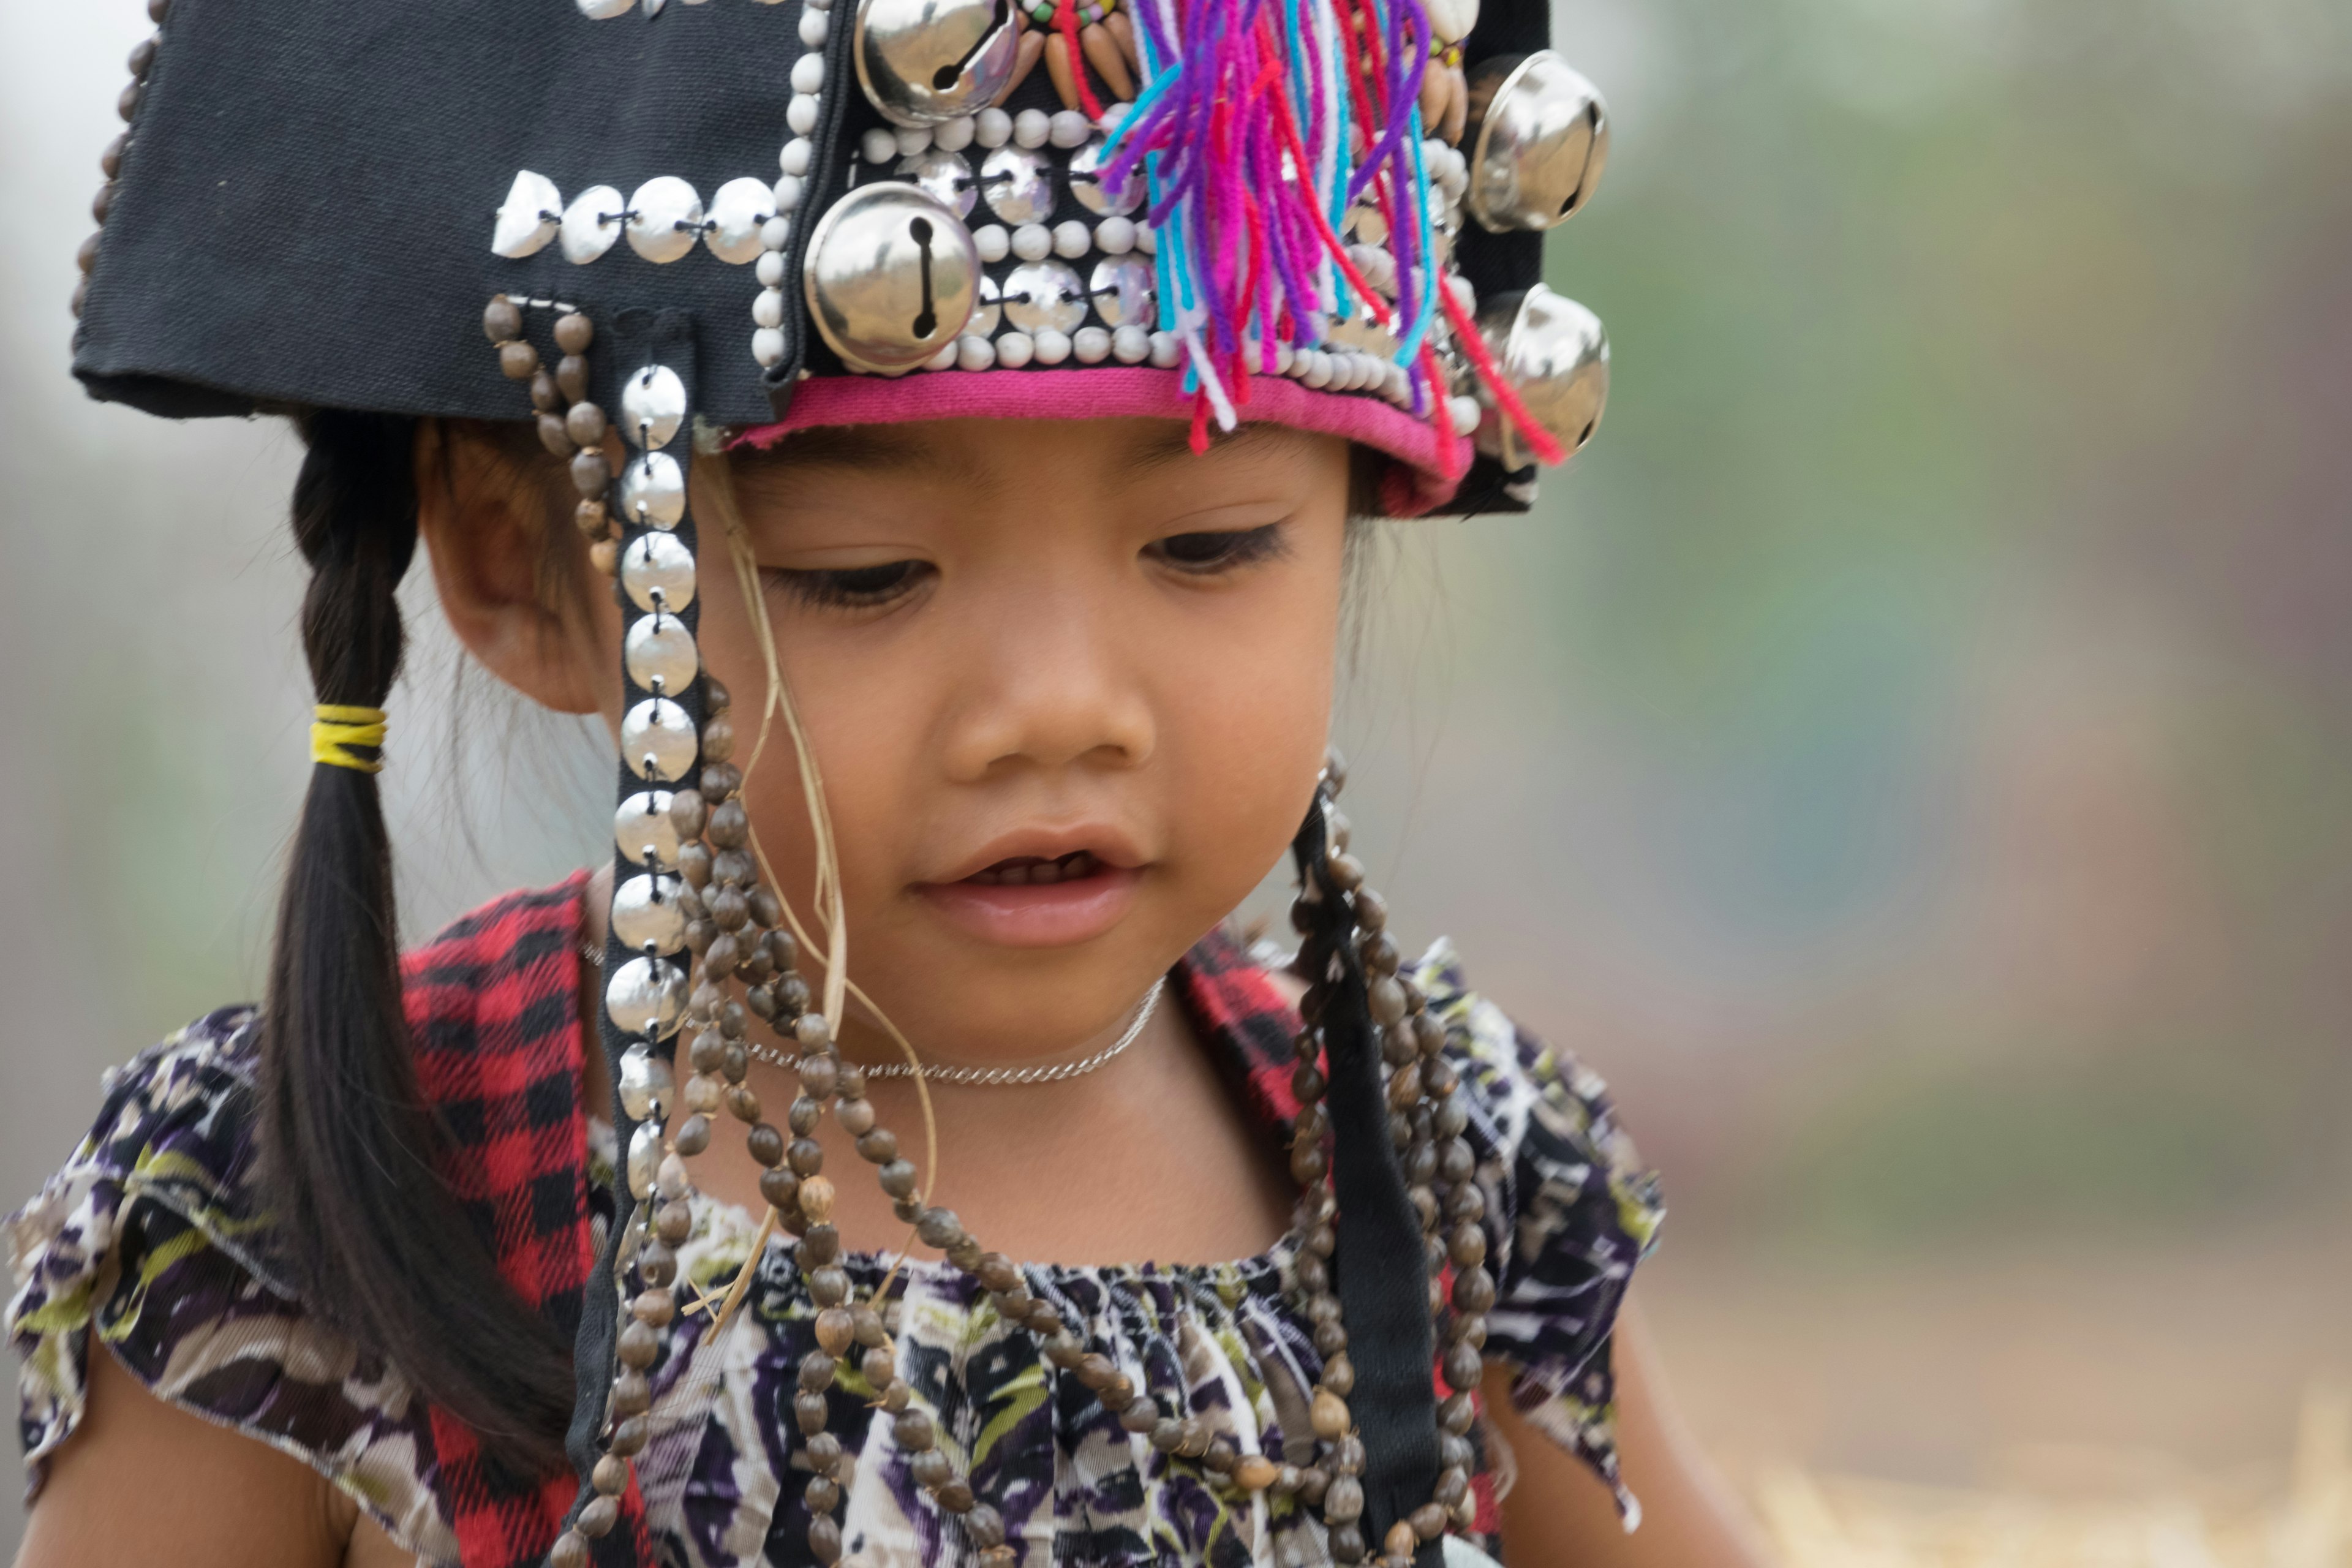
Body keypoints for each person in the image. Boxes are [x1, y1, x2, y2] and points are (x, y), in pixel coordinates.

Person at [9, 1, 1768, 1565]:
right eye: (869, 574)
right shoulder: (310, 1196)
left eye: (1213, 546)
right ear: (522, 571)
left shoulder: (1440, 1165)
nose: (1058, 711)